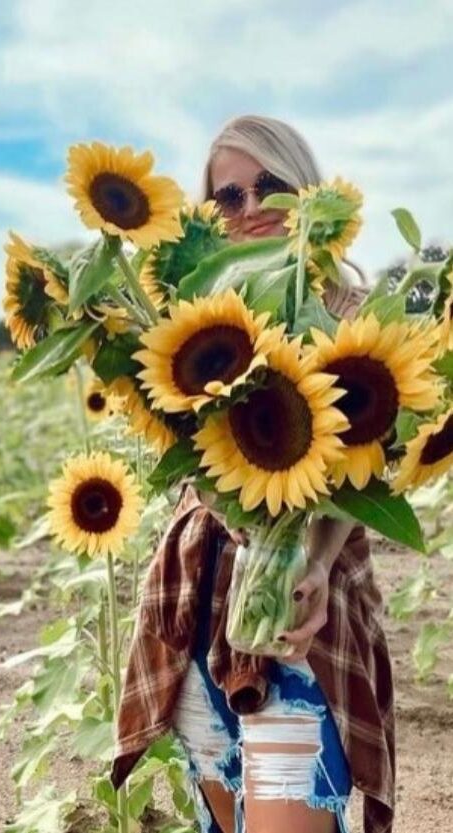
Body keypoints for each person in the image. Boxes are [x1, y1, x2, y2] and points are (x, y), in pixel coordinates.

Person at [111, 116, 396, 833]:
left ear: (305, 188)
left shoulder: (355, 326)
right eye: (227, 199)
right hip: (199, 602)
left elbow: (363, 482)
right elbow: (196, 465)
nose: (249, 208)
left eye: (268, 185)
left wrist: (317, 563)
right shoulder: (198, 333)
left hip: (300, 620)